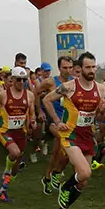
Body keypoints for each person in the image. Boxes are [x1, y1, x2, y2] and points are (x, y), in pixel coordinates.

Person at [43, 52, 105, 209]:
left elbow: (99, 117)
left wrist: (101, 110)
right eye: (88, 67)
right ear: (80, 69)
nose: (92, 70)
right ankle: (65, 187)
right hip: (70, 135)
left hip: (86, 135)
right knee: (85, 172)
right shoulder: (69, 86)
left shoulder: (101, 88)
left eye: (94, 67)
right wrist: (56, 121)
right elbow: (47, 100)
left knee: (83, 181)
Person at [0, 66, 35, 203]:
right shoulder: (3, 95)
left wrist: (32, 121)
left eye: (24, 80)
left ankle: (2, 190)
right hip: (5, 131)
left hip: (21, 132)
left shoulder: (30, 95)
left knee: (15, 169)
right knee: (14, 153)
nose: (22, 82)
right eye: (19, 80)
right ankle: (6, 172)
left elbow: (31, 113)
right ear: (12, 80)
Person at [39, 57, 74, 194]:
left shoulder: (74, 83)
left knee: (59, 152)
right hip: (54, 120)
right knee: (63, 142)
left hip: (68, 121)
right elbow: (35, 94)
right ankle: (55, 174)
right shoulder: (51, 82)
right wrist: (40, 110)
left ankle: (49, 176)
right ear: (59, 68)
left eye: (70, 67)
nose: (68, 70)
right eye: (65, 68)